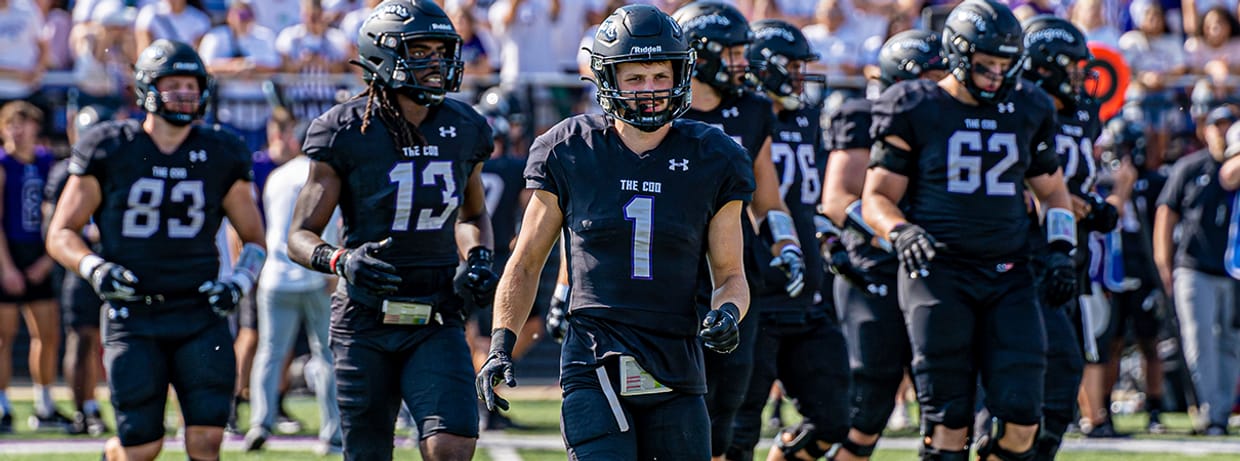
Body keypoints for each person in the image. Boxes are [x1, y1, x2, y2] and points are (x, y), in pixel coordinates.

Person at [476, 4, 754, 460]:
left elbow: (731, 275)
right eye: (635, 78)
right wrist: (500, 344)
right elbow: (526, 260)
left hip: (676, 361)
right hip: (595, 355)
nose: (649, 91)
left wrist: (727, 313)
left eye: (660, 76)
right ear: (609, 80)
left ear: (680, 75)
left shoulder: (714, 156)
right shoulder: (567, 149)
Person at [860, 1, 1076, 459]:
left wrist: (1060, 247)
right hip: (939, 273)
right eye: (986, 64)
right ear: (958, 55)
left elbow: (1054, 193)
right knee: (948, 423)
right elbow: (876, 197)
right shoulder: (915, 104)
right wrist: (900, 232)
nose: (997, 75)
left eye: (1005, 64)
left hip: (1010, 274)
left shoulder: (1029, 105)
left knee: (1022, 419)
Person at [286, 1, 496, 459]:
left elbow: (471, 215)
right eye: (420, 50)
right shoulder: (342, 130)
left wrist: (479, 255)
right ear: (381, 56)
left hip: (437, 312)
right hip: (364, 318)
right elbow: (299, 236)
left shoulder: (465, 126)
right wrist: (340, 260)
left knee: (453, 441)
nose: (436, 62)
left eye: (442, 51)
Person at [45, 39, 266, 461]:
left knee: (206, 442)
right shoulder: (109, 146)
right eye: (174, 84)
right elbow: (61, 232)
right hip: (134, 312)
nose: (184, 93)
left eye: (191, 84)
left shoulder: (222, 150)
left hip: (199, 311)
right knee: (141, 448)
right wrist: (93, 267)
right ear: (147, 88)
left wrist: (239, 281)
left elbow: (255, 239)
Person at [672, 4, 807, 459]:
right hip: (665, 268)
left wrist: (787, 244)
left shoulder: (751, 109)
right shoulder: (660, 105)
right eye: (729, 53)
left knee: (728, 404)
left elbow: (767, 197)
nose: (741, 63)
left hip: (732, 267)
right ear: (699, 54)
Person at [724, 18, 849, 461]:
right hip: (754, 291)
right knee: (737, 429)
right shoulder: (738, 120)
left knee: (836, 418)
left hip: (805, 292)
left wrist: (828, 237)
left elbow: (807, 203)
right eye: (792, 66)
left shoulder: (807, 119)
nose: (800, 76)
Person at [820, 28, 947, 461]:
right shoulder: (863, 115)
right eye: (932, 76)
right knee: (865, 406)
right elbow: (838, 200)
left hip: (934, 272)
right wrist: (893, 233)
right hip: (875, 267)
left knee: (945, 398)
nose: (943, 84)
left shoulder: (949, 115)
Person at [1013, 14, 1120, 455]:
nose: (1081, 78)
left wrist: (1090, 205)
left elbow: (1076, 181)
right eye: (1073, 68)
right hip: (1025, 256)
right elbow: (1020, 184)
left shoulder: (1081, 112)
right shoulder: (1019, 107)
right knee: (1034, 373)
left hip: (1067, 257)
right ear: (1045, 67)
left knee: (1066, 371)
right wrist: (1077, 205)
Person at [244, 116, 342, 454]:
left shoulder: (276, 175)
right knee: (327, 356)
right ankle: (332, 432)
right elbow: (329, 228)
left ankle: (260, 421)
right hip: (315, 274)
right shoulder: (324, 174)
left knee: (269, 353)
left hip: (275, 275)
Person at [1154, 104, 1240, 436]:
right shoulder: (1190, 167)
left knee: (1230, 344)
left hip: (1232, 272)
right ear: (1205, 128)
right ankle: (1209, 412)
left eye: (1228, 125)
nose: (1220, 130)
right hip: (1194, 267)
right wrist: (1164, 263)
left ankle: (1220, 412)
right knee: (1199, 341)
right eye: (1216, 125)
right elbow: (1166, 213)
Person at [43, 109, 110, 437]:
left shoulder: (120, 164)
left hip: (115, 263)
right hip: (82, 265)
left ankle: (108, 406)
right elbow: (55, 226)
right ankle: (84, 409)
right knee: (82, 338)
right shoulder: (66, 171)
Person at [0, 101, 65, 432]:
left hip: (38, 254)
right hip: (7, 255)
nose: (16, 130)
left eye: (22, 123)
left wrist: (46, 260)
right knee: (3, 337)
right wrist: (7, 267)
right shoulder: (2, 165)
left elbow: (58, 216)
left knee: (48, 335)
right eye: (10, 124)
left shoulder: (45, 162)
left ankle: (45, 403)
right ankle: (3, 406)